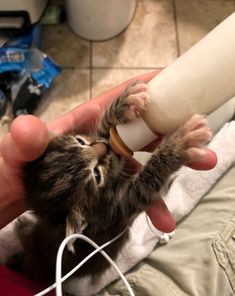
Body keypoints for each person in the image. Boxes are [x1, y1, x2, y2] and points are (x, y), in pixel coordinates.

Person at [0, 71, 229, 296]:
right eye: (96, 175)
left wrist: (114, 114)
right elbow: (136, 196)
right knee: (42, 266)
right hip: (77, 257)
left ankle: (27, 261)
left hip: (45, 240)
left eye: (80, 142)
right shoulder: (93, 215)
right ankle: (31, 268)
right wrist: (170, 155)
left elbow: (102, 141)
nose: (100, 147)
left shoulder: (78, 178)